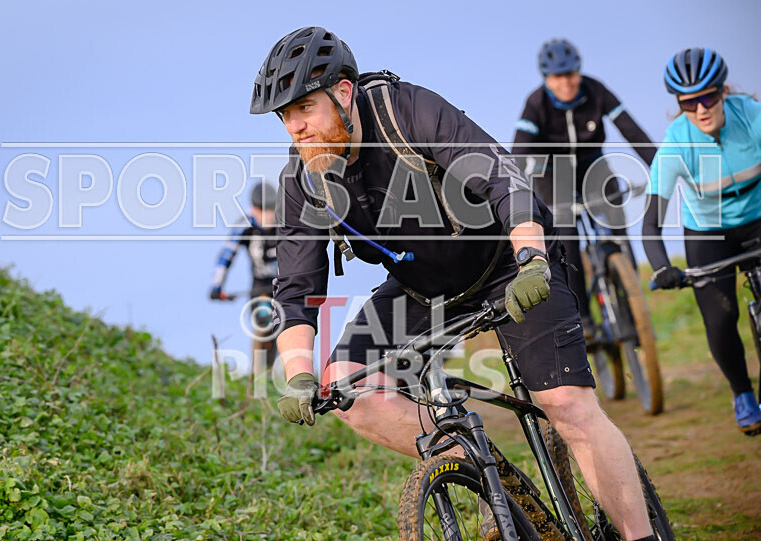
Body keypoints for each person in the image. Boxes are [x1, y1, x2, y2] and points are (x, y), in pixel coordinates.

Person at [254, 26, 656, 540]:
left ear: (344, 91)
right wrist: (296, 373)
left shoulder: (405, 111)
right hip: (424, 290)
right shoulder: (304, 181)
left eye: (304, 107)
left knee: (566, 406)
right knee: (347, 387)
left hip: (507, 263)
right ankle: (492, 479)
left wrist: (531, 255)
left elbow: (501, 175)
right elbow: (294, 286)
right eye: (284, 116)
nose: (295, 126)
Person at [642, 47, 761, 436]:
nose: (701, 109)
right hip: (709, 232)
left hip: (758, 218)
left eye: (708, 97)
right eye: (689, 102)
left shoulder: (752, 116)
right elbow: (650, 223)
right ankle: (742, 393)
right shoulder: (676, 144)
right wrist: (662, 267)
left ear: (723, 91)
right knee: (722, 316)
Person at [512, 38, 657, 335]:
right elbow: (519, 150)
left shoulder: (595, 90)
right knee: (566, 237)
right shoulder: (536, 103)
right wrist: (512, 187)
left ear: (579, 71)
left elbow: (632, 129)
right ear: (546, 79)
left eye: (570, 74)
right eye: (557, 77)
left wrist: (660, 165)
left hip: (593, 163)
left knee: (617, 218)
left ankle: (631, 306)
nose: (565, 83)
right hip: (555, 172)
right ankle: (584, 319)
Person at [209, 182, 279, 380]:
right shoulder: (244, 226)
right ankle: (257, 377)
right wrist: (217, 286)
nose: (268, 217)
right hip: (261, 287)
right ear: (253, 209)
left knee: (285, 328)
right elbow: (226, 256)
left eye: (272, 210)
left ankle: (273, 378)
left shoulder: (285, 223)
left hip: (286, 286)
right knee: (263, 321)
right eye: (263, 211)